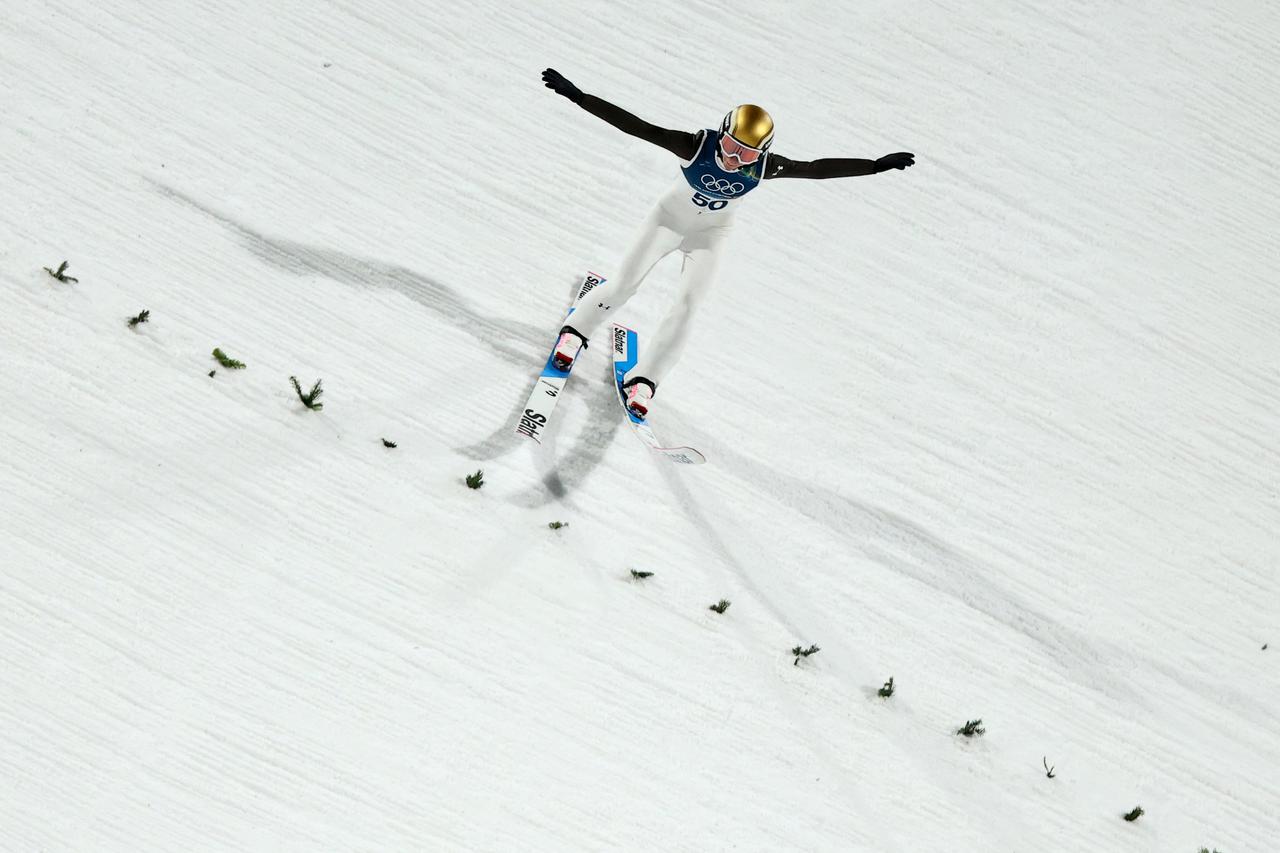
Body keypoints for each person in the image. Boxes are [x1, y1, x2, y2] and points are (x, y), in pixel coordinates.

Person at [541, 67, 914, 419]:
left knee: (689, 305)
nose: (737, 160)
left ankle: (647, 380)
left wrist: (875, 165)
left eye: (748, 154)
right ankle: (576, 332)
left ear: (762, 153)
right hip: (667, 221)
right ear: (721, 135)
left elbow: (815, 168)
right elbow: (636, 127)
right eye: (733, 147)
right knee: (626, 283)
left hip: (711, 235)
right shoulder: (694, 146)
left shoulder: (765, 167)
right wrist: (578, 96)